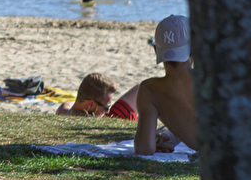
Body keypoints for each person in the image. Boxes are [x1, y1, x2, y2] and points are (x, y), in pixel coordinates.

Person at [134, 15, 197, 156]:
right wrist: (170, 138)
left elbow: (144, 148)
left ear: (156, 50)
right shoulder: (212, 79)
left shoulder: (150, 90)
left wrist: (162, 138)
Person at [57, 72, 139, 119]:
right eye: (106, 108)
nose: (108, 111)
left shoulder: (67, 109)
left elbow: (65, 109)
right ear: (91, 104)